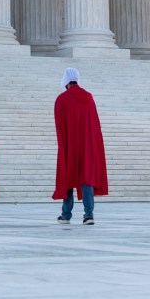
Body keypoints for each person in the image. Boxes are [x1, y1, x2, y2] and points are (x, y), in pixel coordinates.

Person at [53, 67, 107, 225]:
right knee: (86, 178)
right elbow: (95, 124)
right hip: (87, 146)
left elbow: (60, 127)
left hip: (70, 145)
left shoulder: (61, 100)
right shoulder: (88, 97)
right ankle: (89, 215)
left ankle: (66, 215)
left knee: (67, 178)